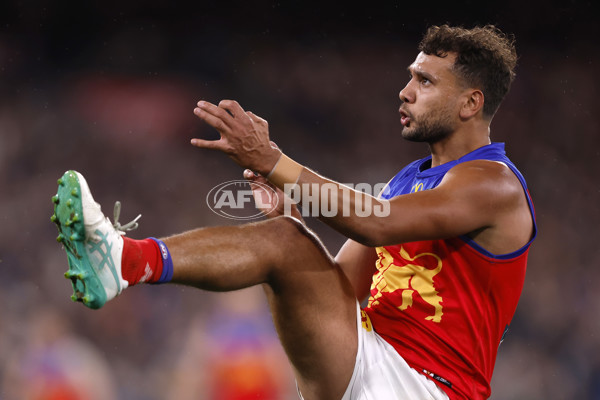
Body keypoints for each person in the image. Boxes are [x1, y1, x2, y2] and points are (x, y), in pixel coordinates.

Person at [52, 24, 536, 400]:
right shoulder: (408, 180)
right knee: (286, 237)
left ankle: (122, 261)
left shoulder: (493, 184)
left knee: (287, 241)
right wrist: (293, 221)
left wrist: (274, 162)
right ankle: (122, 261)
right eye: (410, 77)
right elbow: (341, 284)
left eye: (425, 81)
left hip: (427, 386)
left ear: (472, 102)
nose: (405, 91)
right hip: (371, 360)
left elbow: (377, 221)